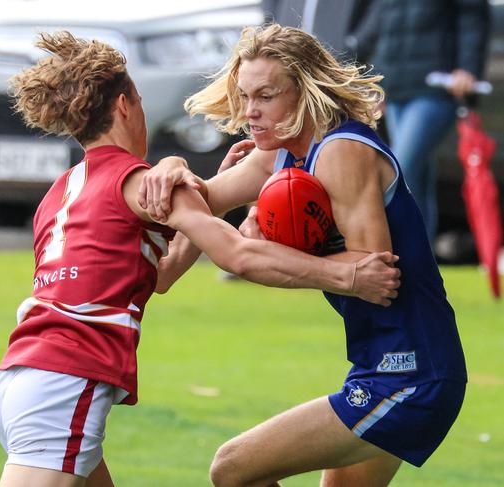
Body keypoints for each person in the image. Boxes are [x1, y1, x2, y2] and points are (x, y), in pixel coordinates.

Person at [0, 31, 400, 487]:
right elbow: (238, 254)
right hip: (64, 381)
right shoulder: (141, 182)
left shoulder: (62, 190)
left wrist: (201, 190)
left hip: (15, 377)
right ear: (125, 105)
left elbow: (158, 275)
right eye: (140, 102)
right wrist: (349, 274)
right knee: (234, 469)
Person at [140, 24, 467, 486]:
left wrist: (263, 248)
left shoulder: (341, 152)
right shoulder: (279, 157)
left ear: (305, 92)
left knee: (234, 469)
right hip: (379, 367)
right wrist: (171, 168)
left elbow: (375, 276)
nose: (250, 112)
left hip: (410, 373)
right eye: (245, 95)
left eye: (266, 96)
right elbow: (201, 202)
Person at [349, 0, 491, 242]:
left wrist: (468, 68)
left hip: (436, 88)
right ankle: (423, 266)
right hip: (395, 92)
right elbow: (374, 31)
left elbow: (473, 17)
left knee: (398, 169)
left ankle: (392, 251)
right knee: (416, 183)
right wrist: (366, 82)